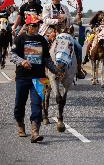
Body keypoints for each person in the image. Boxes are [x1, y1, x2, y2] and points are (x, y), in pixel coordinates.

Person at [10, 14, 61, 143]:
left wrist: (56, 71)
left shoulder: (42, 40)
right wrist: (22, 62)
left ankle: (35, 131)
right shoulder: (20, 39)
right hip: (22, 77)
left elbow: (47, 60)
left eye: (38, 25)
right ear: (27, 26)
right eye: (34, 25)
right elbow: (12, 55)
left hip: (39, 78)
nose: (36, 27)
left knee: (37, 105)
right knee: (19, 104)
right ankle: (20, 124)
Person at [39, 0, 85, 79]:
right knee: (41, 45)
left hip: (64, 32)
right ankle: (39, 70)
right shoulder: (47, 7)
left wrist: (77, 18)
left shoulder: (65, 7)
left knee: (78, 47)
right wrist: (58, 20)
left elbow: (70, 21)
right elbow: (45, 20)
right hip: (49, 31)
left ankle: (79, 69)